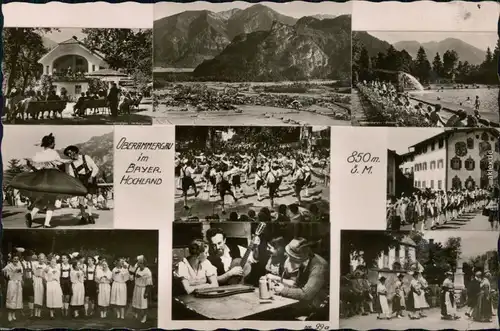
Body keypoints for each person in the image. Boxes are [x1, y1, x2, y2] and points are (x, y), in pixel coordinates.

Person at [16, 134, 76, 228]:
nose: (54, 144)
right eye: (53, 142)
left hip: (40, 179)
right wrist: (69, 161)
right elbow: (60, 161)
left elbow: (34, 165)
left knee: (43, 201)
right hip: (52, 179)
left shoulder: (38, 154)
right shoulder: (54, 153)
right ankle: (46, 223)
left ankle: (31, 216)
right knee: (51, 201)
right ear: (51, 144)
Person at [272, 238, 329, 317]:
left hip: (318, 306)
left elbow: (306, 294)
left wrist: (283, 290)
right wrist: (282, 285)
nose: (289, 261)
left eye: (291, 259)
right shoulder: (305, 260)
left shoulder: (318, 267)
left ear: (298, 258)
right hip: (306, 302)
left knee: (279, 314)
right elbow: (298, 285)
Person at [64, 145, 100, 224]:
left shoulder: (86, 157)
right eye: (68, 154)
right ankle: (83, 216)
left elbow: (95, 168)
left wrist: (92, 176)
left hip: (90, 178)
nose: (69, 155)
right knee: (81, 199)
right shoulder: (71, 165)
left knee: (89, 197)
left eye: (70, 153)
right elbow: (73, 177)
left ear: (75, 151)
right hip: (80, 181)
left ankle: (90, 215)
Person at [131, 256, 153, 324]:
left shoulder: (147, 271)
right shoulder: (138, 269)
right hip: (137, 287)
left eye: (140, 263)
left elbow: (149, 284)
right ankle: (136, 314)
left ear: (144, 264)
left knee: (143, 304)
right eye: (138, 263)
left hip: (143, 288)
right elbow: (134, 275)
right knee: (136, 302)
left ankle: (144, 317)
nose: (138, 264)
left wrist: (146, 292)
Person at [3, 254, 23, 322]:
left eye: (17, 259)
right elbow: (3, 270)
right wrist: (10, 272)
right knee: (11, 298)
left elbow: (21, 273)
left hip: (18, 283)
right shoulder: (9, 265)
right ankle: (9, 314)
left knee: (17, 299)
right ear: (12, 259)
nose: (16, 260)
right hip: (12, 283)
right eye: (15, 259)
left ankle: (13, 314)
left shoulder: (19, 265)